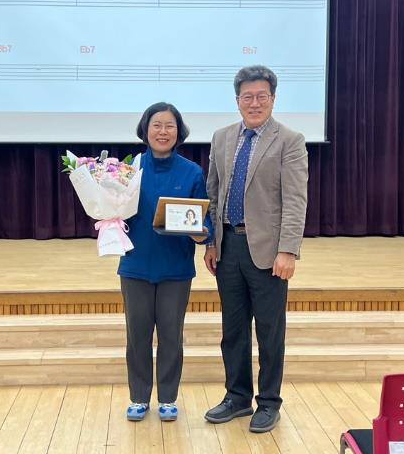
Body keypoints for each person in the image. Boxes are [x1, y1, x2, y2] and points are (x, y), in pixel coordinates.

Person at [203, 66, 308, 433]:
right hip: (228, 247)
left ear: (273, 99)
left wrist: (288, 250)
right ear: (237, 101)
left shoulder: (290, 140)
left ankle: (268, 402)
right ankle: (236, 397)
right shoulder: (221, 138)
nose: (255, 103)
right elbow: (214, 192)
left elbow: (295, 200)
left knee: (269, 331)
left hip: (268, 251)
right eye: (247, 96)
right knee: (232, 330)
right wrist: (211, 241)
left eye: (262, 96)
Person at [118, 102, 213, 422]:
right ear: (145, 130)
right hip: (135, 265)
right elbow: (115, 212)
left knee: (172, 336)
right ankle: (138, 397)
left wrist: (201, 234)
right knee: (137, 336)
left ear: (179, 131)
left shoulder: (192, 172)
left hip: (175, 268)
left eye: (169, 125)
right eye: (156, 125)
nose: (163, 131)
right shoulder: (128, 170)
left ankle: (168, 398)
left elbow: (204, 221)